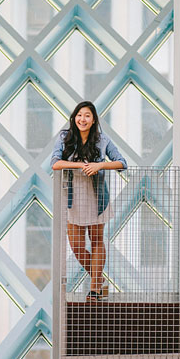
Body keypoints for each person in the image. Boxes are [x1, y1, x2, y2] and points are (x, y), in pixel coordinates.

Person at [51, 101, 126, 301]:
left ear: (93, 121)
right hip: (72, 199)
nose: (82, 119)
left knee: (96, 240)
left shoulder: (102, 140)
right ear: (74, 118)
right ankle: (99, 279)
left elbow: (122, 163)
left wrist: (99, 165)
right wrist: (78, 164)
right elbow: (55, 163)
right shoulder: (64, 138)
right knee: (76, 245)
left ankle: (94, 289)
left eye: (87, 116)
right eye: (79, 115)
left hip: (96, 197)